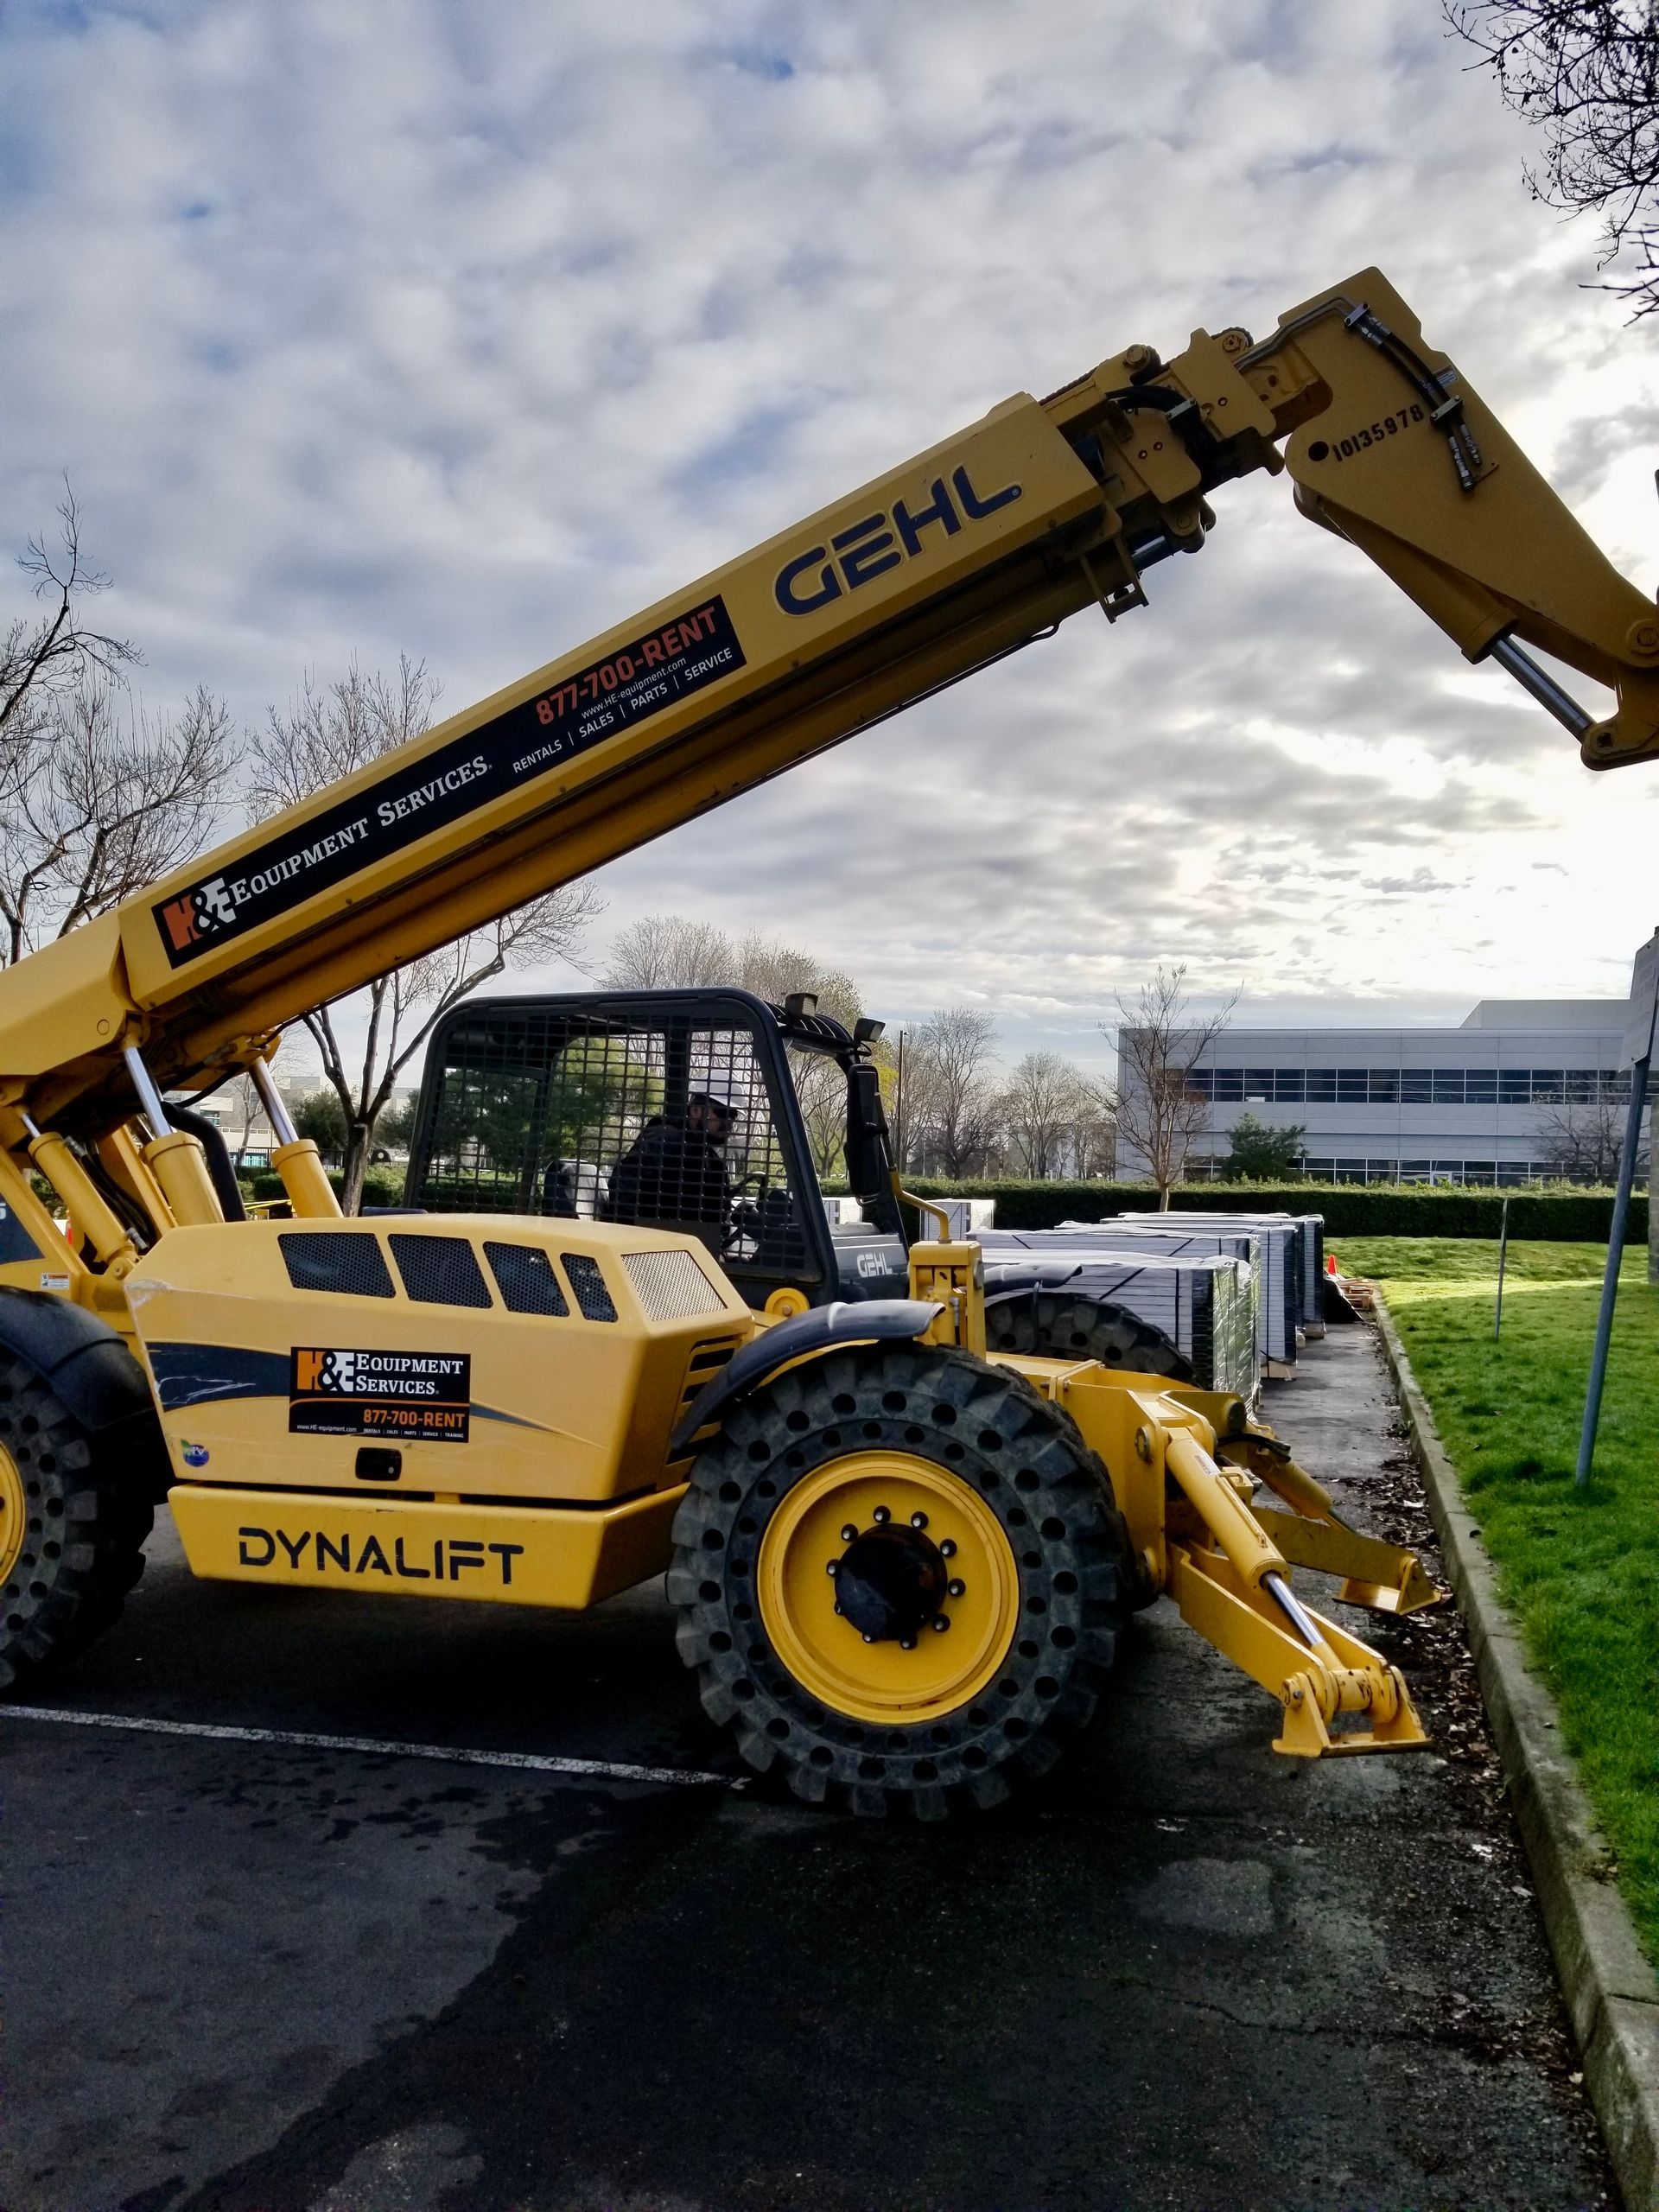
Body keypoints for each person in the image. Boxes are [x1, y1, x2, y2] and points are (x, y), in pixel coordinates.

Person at [604, 1091, 738, 1237]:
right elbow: (623, 1190)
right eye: (723, 1113)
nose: (729, 1121)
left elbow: (717, 1222)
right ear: (695, 1111)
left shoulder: (714, 1165)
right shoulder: (664, 1140)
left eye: (733, 1115)